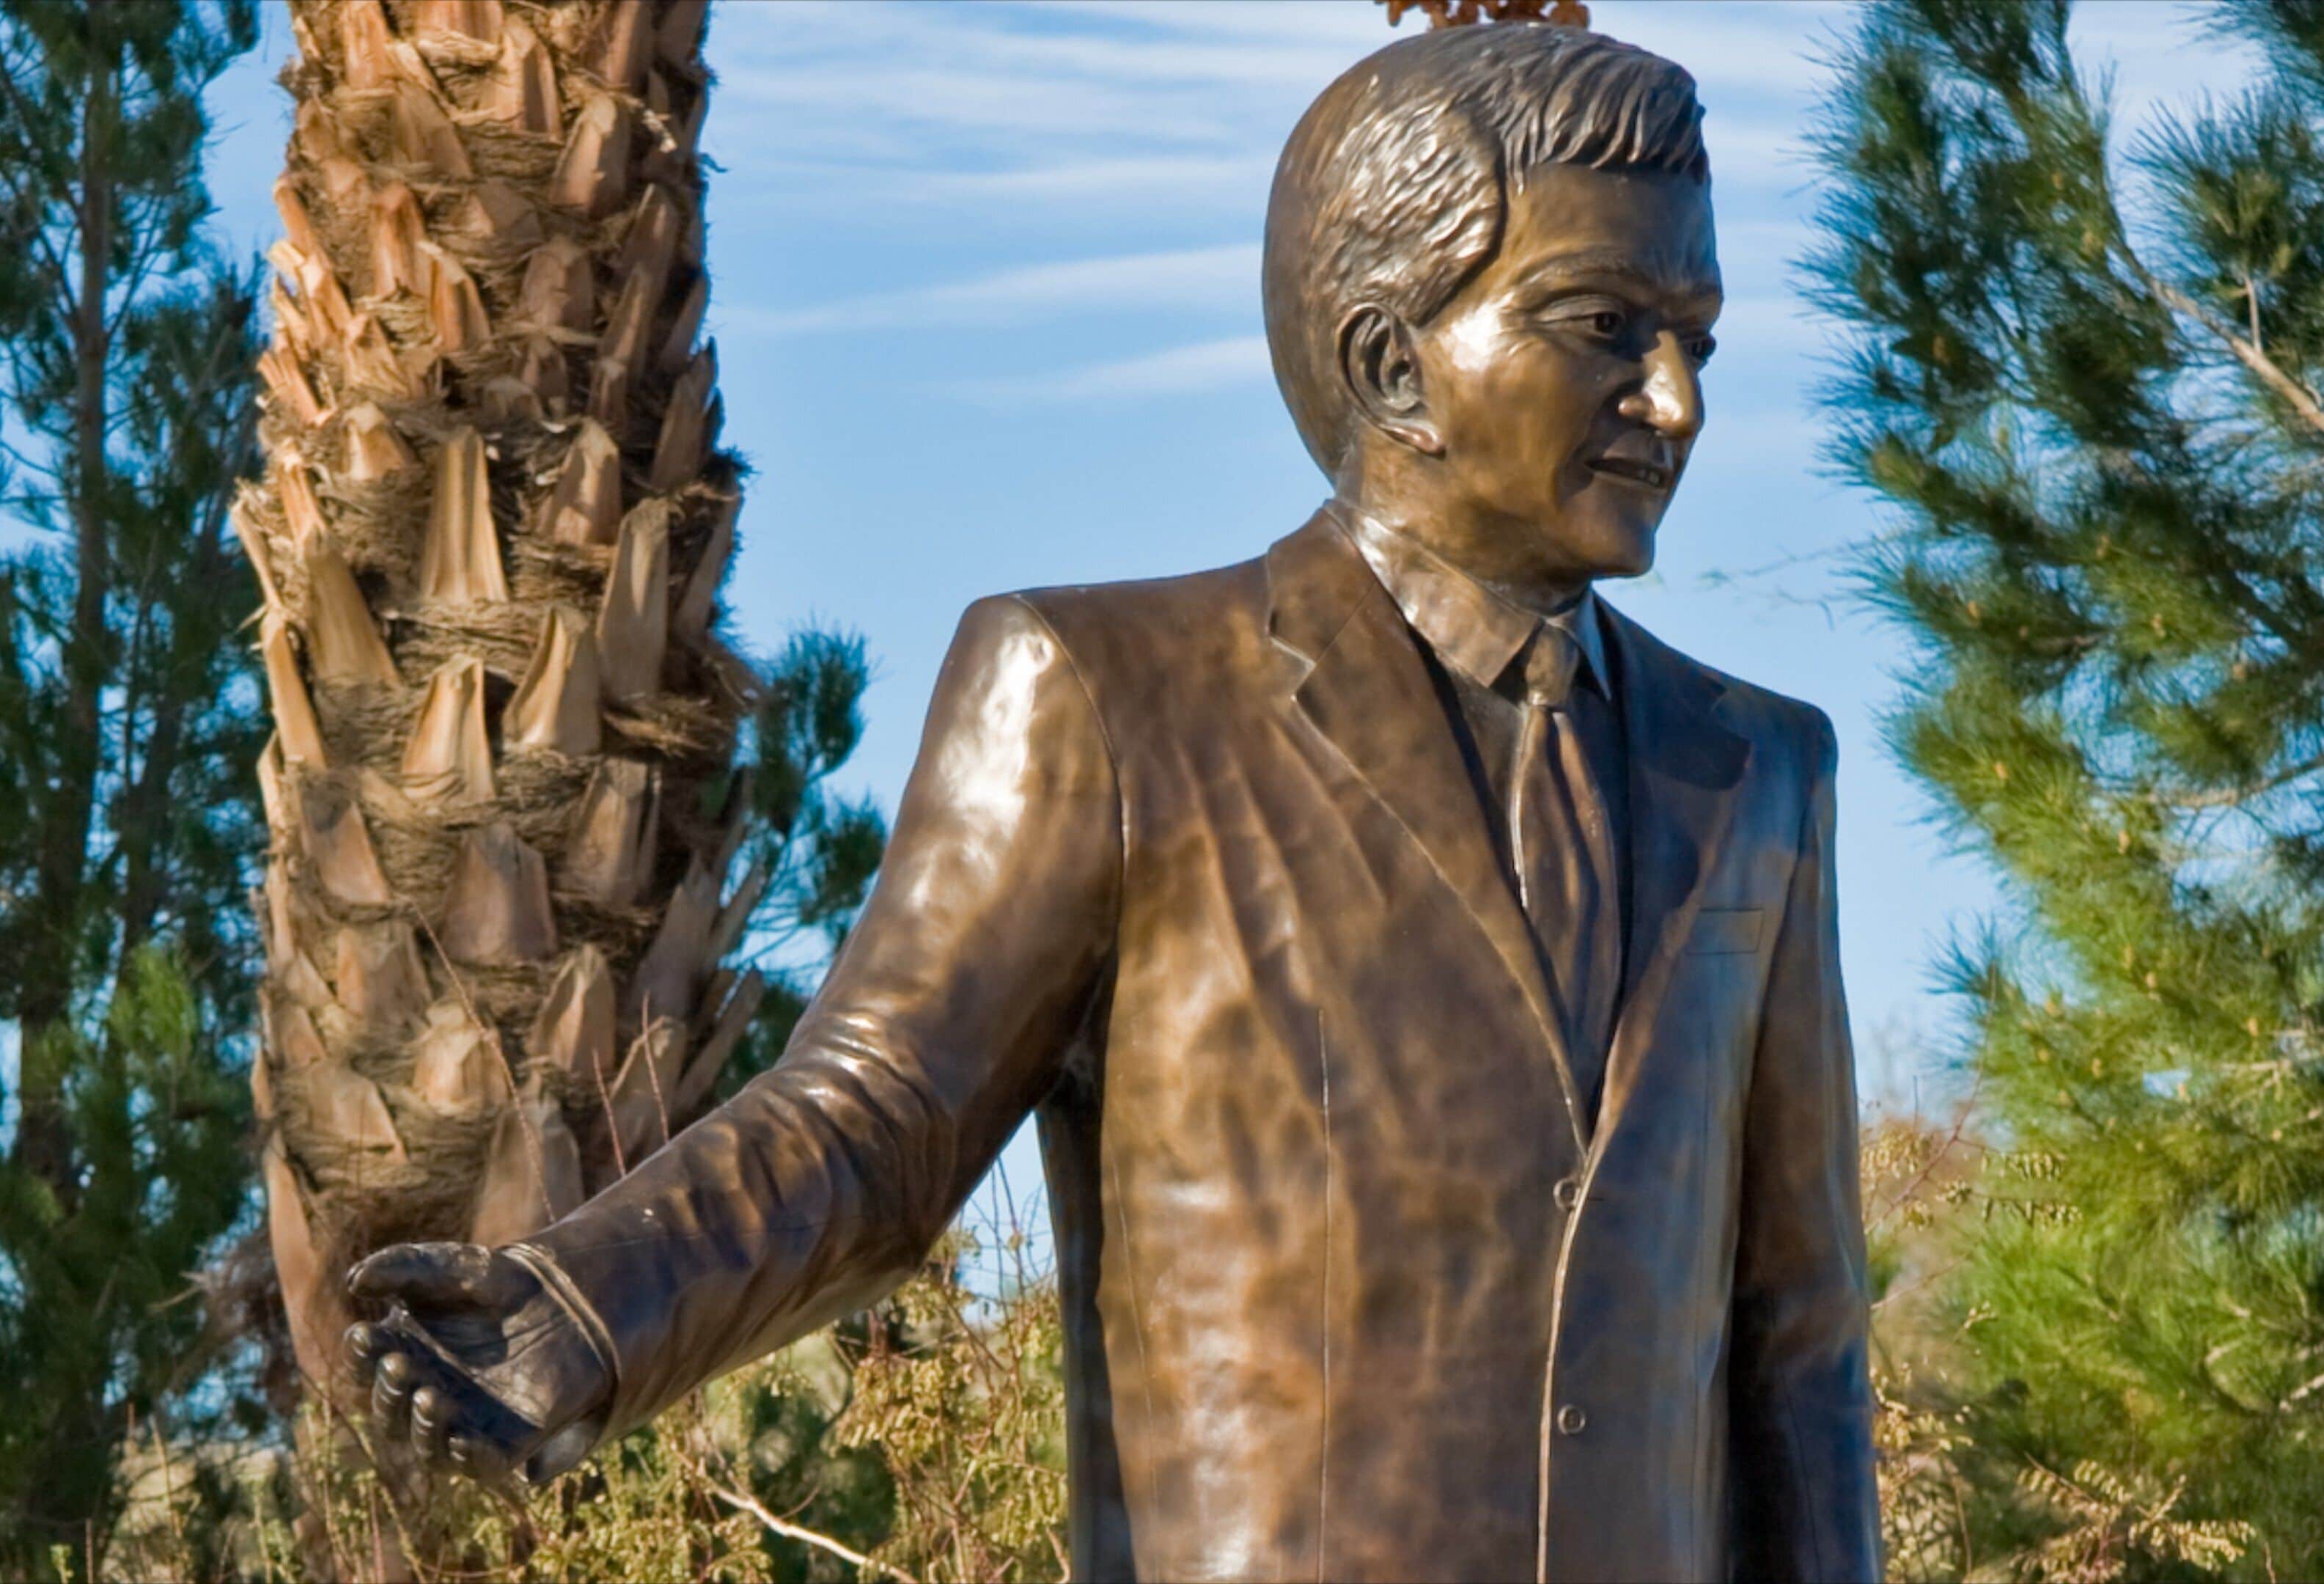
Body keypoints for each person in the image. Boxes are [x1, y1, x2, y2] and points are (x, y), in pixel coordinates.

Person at [348, 22, 1878, 1582]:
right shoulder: (1111, 696)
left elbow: (1800, 1348)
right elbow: (876, 1123)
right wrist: (586, 1307)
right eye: (1608, 324)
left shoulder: (1759, 776)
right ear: (1391, 362)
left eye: (1696, 338)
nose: (1675, 401)